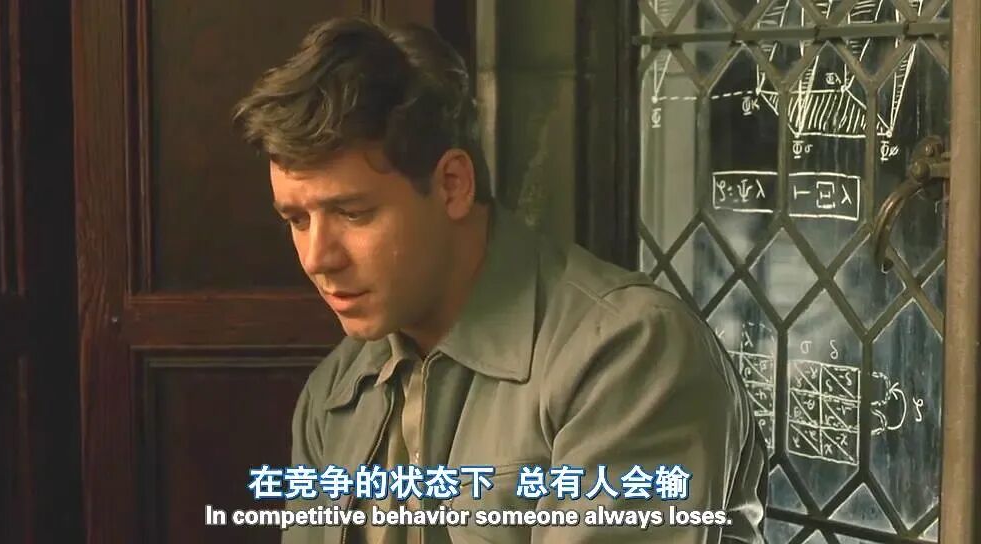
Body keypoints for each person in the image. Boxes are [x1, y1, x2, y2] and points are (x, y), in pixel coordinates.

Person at [233, 16, 766, 544]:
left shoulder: (628, 354)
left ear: (452, 185)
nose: (317, 258)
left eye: (353, 213)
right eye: (297, 220)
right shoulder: (337, 387)